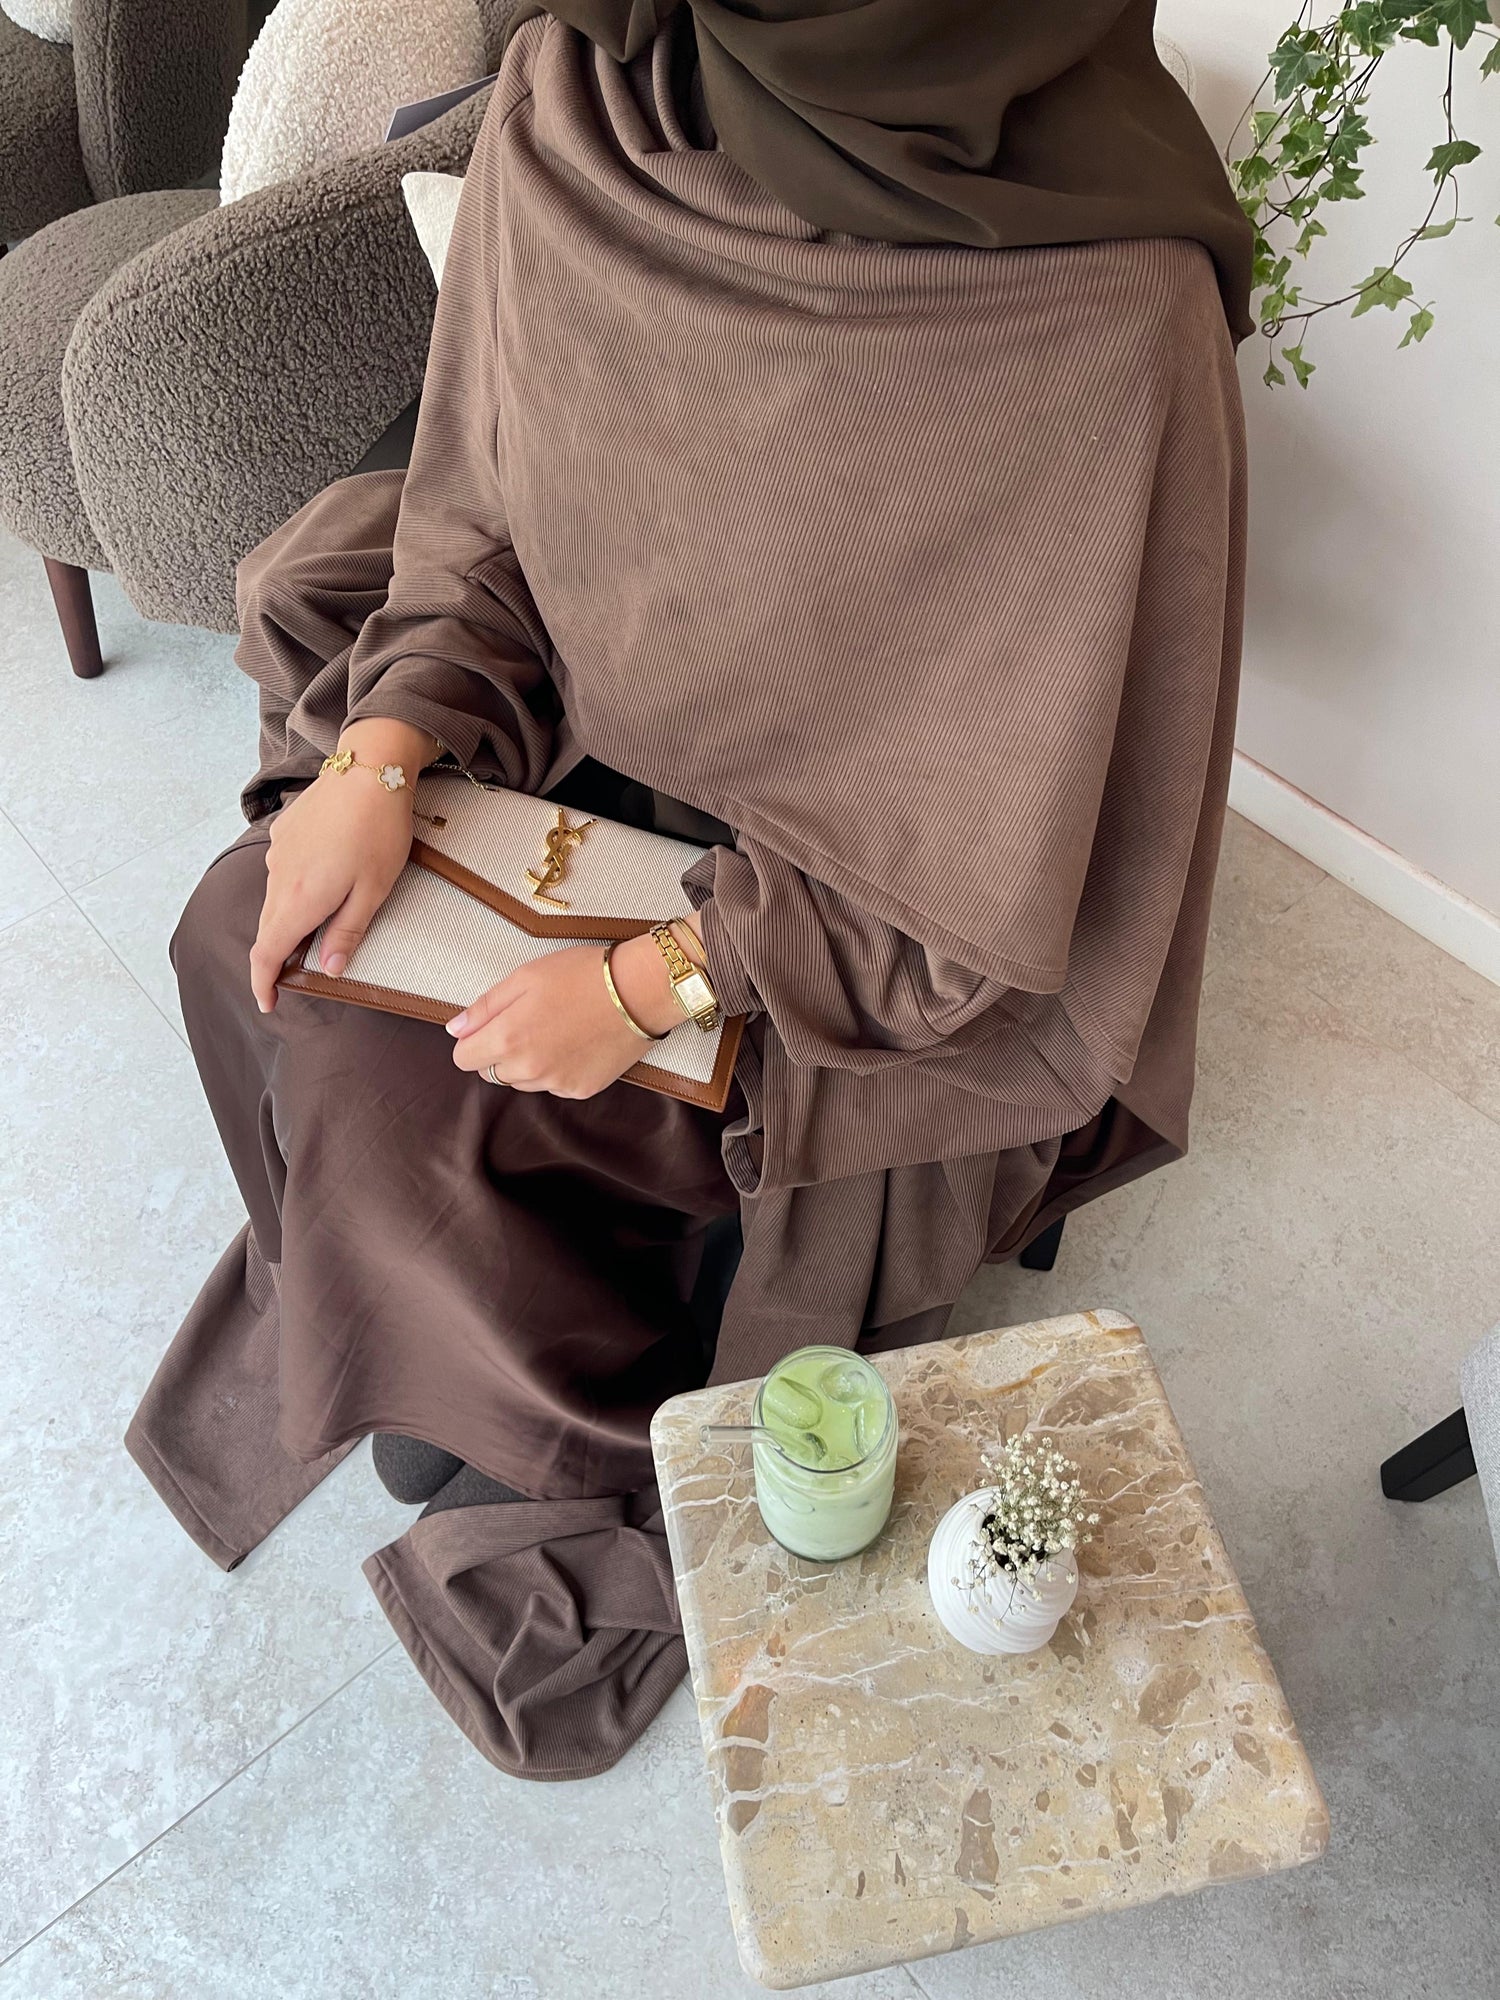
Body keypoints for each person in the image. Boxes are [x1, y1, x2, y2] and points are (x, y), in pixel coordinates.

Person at [127, 0, 1251, 1780]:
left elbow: (1007, 849)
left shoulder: (1106, 297)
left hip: (868, 906)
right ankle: (426, 1335)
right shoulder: (590, 92)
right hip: (592, 723)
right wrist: (381, 757)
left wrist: (653, 982)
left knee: (447, 1121)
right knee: (256, 935)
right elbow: (489, 512)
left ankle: (539, 1410)